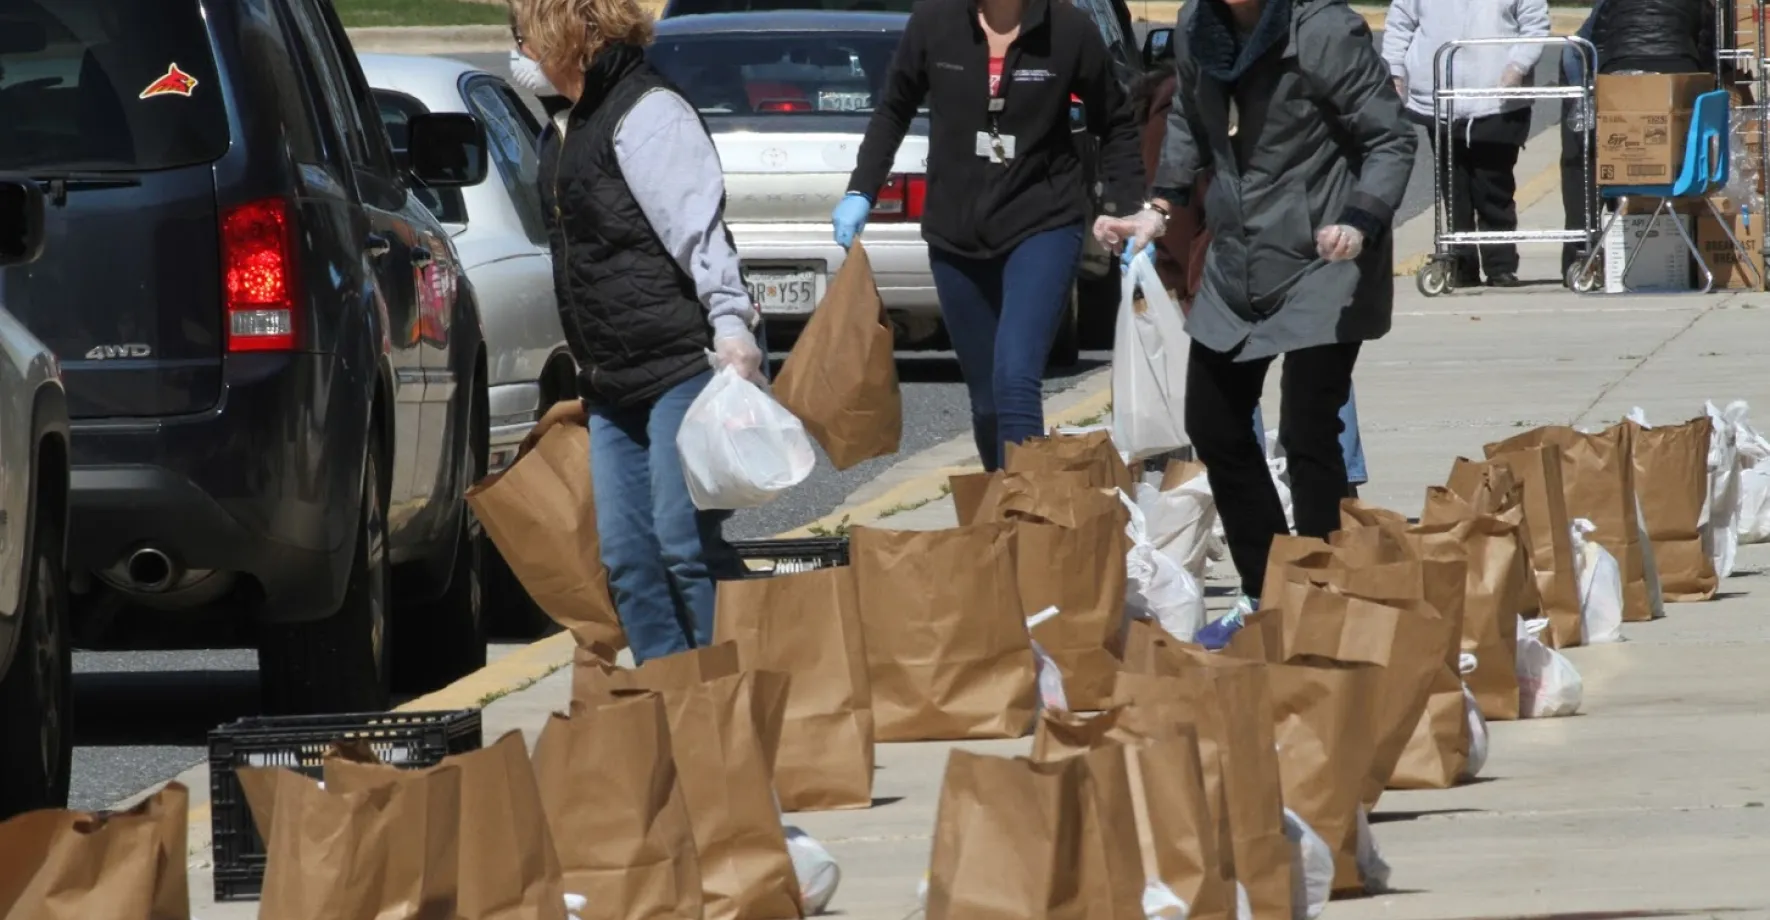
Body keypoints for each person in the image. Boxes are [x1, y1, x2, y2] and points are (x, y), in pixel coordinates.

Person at [1102, 0, 1416, 611]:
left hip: (1326, 254)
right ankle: (1270, 588)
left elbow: (1389, 136)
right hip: (1239, 256)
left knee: (1309, 428)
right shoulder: (1198, 24)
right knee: (1214, 422)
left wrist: (1360, 219)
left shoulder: (1322, 28)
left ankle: (1324, 594)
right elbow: (1191, 118)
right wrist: (1159, 206)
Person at [512, 0, 762, 664]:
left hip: (679, 363)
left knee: (683, 546)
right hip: (612, 384)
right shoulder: (568, 126)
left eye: (525, 33)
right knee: (626, 560)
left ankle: (736, 690)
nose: (520, 52)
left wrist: (733, 323)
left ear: (571, 32)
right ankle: (672, 699)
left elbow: (699, 232)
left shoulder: (647, 113)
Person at [832, 0, 1149, 471]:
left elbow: (1117, 121)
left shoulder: (1068, 30)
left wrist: (1126, 208)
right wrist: (862, 189)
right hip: (955, 232)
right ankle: (1003, 505)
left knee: (1016, 376)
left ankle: (1028, 518)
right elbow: (893, 110)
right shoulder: (934, 23)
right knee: (986, 400)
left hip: (1043, 221)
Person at [1134, 61, 1371, 495]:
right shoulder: (1291, 85)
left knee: (1232, 395)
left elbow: (1181, 214)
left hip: (1238, 263)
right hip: (1305, 245)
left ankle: (1260, 484)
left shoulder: (1171, 111)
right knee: (1317, 384)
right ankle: (1340, 485)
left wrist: (1185, 282)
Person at [1384, 0, 1551, 288]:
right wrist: (1396, 71)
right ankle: (1461, 264)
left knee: (1493, 187)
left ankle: (1500, 265)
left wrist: (1518, 65)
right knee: (1454, 188)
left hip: (1498, 99)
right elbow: (1400, 23)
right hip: (1440, 96)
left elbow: (1535, 25)